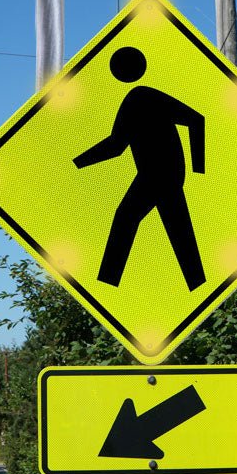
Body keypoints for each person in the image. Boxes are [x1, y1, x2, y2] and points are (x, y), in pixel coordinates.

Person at [74, 46, 206, 291]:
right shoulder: (135, 99)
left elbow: (197, 120)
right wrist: (77, 163)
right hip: (159, 175)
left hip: (158, 175)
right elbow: (116, 145)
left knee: (126, 218)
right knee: (179, 232)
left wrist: (200, 171)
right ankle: (198, 284)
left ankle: (107, 284)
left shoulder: (142, 97)